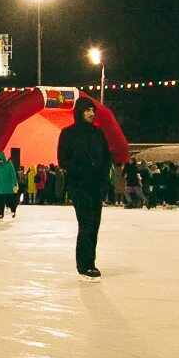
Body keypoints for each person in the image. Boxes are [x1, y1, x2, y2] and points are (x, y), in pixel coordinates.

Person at [57, 100, 112, 277]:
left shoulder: (98, 133)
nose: (91, 113)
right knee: (86, 222)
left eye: (92, 110)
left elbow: (106, 158)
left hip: (96, 186)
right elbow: (63, 160)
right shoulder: (68, 134)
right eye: (87, 110)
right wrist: (82, 169)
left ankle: (90, 262)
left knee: (94, 224)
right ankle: (84, 264)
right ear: (80, 112)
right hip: (79, 185)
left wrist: (103, 179)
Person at [0, 152, 18, 218]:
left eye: (0, 159)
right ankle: (0, 214)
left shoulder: (9, 165)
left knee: (11, 201)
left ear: (3, 159)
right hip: (0, 188)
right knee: (0, 202)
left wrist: (14, 184)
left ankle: (13, 210)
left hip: (9, 187)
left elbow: (13, 175)